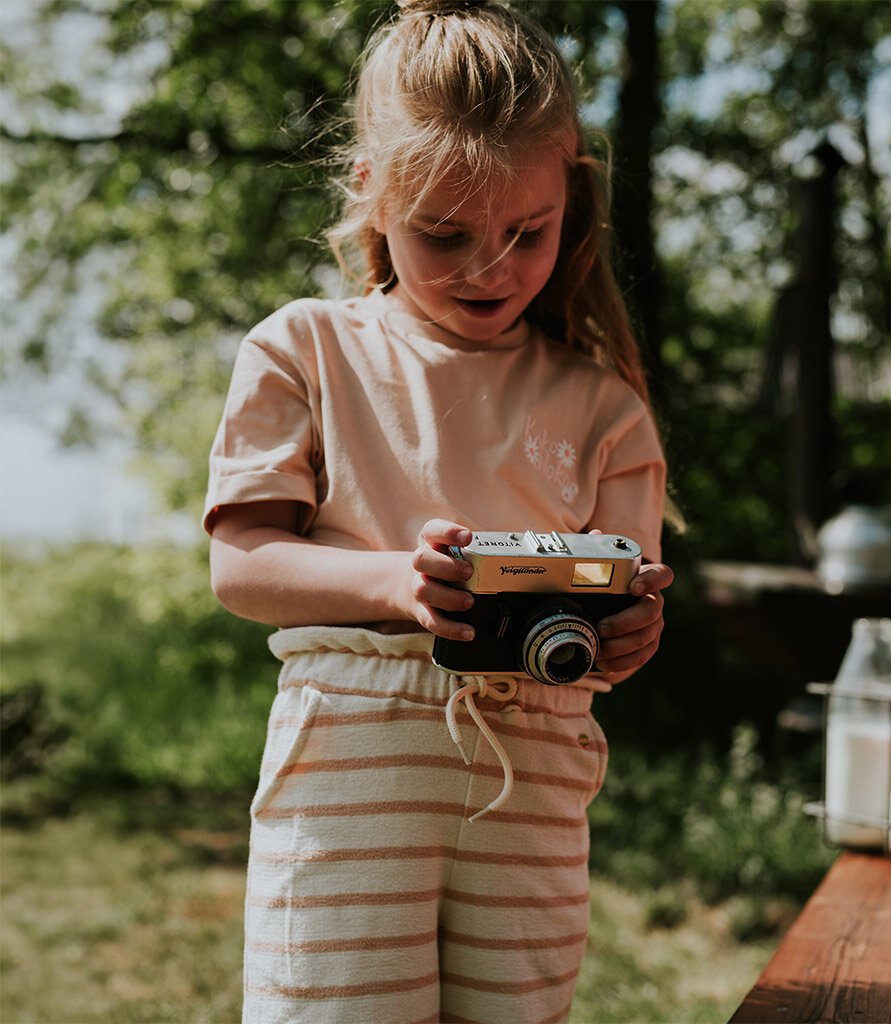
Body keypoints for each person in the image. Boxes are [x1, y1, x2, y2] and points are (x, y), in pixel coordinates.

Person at [204, 1, 674, 1021]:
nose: (490, 266)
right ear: (370, 188)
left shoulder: (606, 409)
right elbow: (240, 564)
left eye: (526, 232)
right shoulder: (305, 350)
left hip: (536, 783)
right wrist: (392, 582)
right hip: (351, 772)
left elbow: (613, 611)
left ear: (570, 197)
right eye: (445, 233)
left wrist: (631, 630)